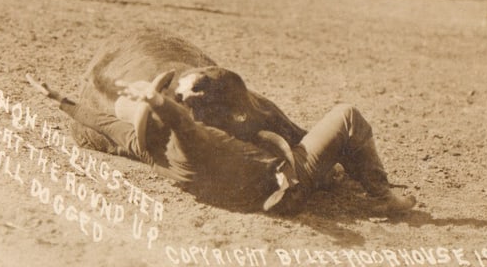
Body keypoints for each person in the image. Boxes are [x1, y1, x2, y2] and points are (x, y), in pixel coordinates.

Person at [55, 57, 415, 216]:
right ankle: (383, 195)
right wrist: (154, 99)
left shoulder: (153, 148)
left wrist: (62, 102)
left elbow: (105, 124)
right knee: (347, 115)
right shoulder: (201, 139)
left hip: (233, 192)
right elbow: (183, 123)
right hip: (281, 183)